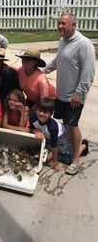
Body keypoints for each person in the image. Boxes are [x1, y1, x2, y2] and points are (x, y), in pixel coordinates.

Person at [43, 13, 95, 175]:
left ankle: (75, 160)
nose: (60, 27)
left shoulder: (84, 44)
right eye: (59, 23)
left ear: (74, 24)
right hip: (62, 93)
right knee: (65, 124)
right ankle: (78, 147)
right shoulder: (62, 41)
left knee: (72, 126)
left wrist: (79, 93)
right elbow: (58, 61)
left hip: (75, 96)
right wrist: (42, 71)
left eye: (64, 24)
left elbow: (89, 72)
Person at [30, 98, 89, 171]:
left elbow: (54, 146)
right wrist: (35, 131)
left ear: (51, 114)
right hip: (48, 137)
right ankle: (53, 154)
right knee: (41, 156)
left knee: (69, 159)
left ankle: (83, 146)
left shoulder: (52, 127)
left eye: (45, 112)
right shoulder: (32, 117)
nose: (41, 114)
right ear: (36, 110)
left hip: (62, 136)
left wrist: (55, 163)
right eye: (39, 111)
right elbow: (30, 128)